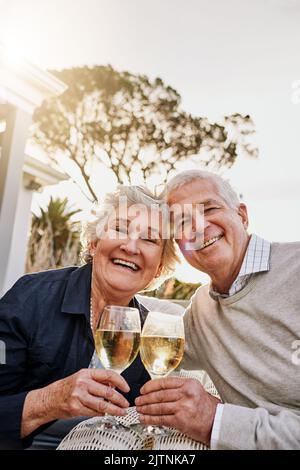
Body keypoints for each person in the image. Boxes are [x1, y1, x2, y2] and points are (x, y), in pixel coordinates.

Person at [0, 185, 178, 449]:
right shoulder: (31, 298)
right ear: (94, 243)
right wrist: (51, 400)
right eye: (119, 228)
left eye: (149, 239)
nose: (130, 246)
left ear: (158, 269)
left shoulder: (151, 336)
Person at [135, 169, 300, 450]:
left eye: (209, 208)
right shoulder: (201, 310)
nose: (198, 227)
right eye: (183, 222)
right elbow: (148, 339)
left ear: (243, 216)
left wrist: (216, 421)